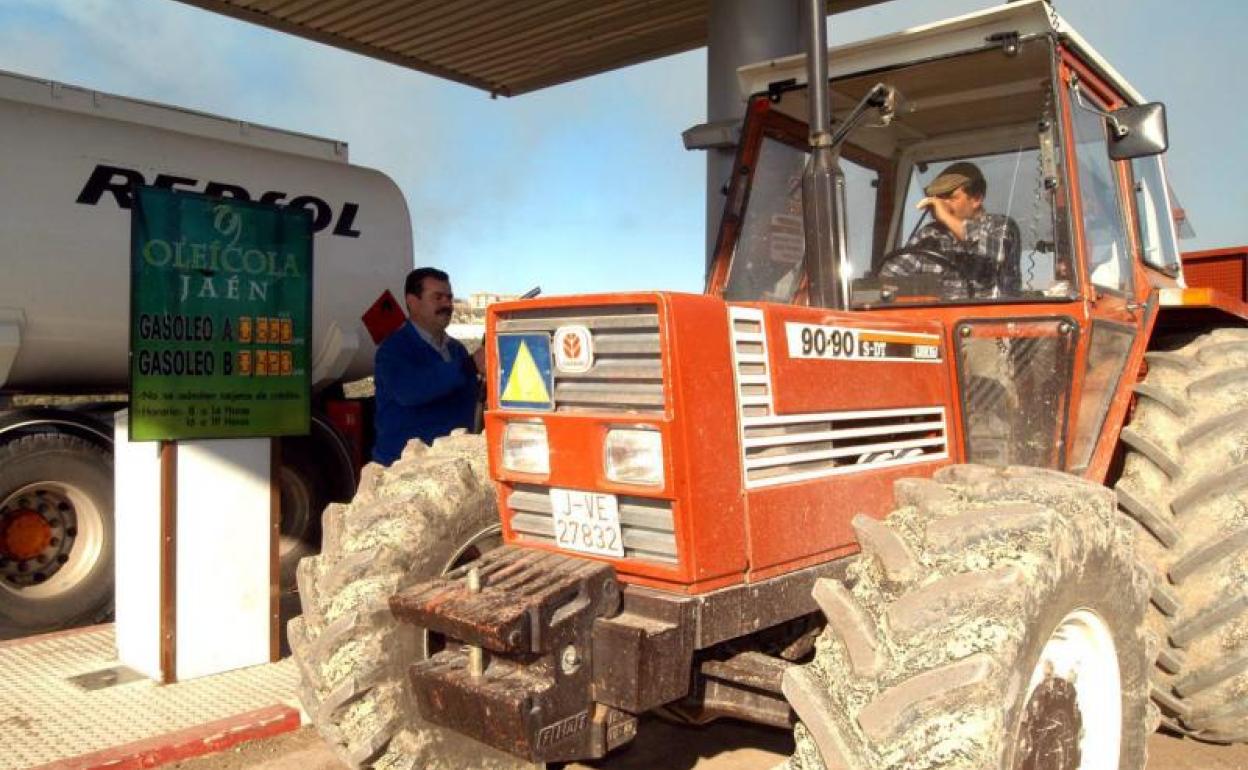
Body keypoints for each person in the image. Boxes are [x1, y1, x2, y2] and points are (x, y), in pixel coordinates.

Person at [372, 267, 485, 465]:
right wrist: (470, 365)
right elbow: (411, 390)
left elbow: (473, 399)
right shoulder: (394, 349)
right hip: (403, 468)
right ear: (412, 302)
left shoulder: (456, 350)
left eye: (449, 298)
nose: (447, 304)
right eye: (438, 297)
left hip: (448, 466)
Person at [890, 161, 1021, 297]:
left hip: (987, 316)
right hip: (935, 317)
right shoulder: (929, 234)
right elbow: (890, 277)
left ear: (976, 199)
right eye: (939, 198)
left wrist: (946, 217)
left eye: (951, 198)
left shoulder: (1001, 226)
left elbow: (997, 252)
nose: (941, 205)